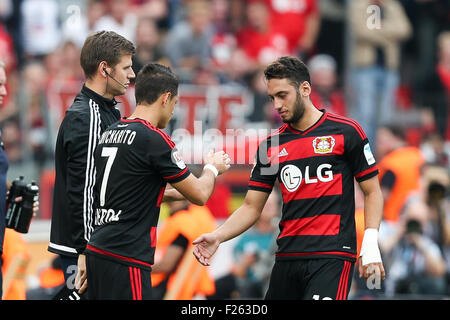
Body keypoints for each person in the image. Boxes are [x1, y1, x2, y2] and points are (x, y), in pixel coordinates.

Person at [193, 56, 385, 300]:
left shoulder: (347, 131)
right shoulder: (270, 146)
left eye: (283, 95)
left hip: (332, 255)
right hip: (286, 256)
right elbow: (252, 207)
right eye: (272, 97)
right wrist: (218, 236)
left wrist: (370, 244)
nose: (276, 104)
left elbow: (372, 191)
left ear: (305, 89)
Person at [76, 63, 230, 299]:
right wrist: (212, 168)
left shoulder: (108, 133)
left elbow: (130, 192)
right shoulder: (154, 139)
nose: (172, 111)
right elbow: (200, 194)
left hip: (97, 251)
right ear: (166, 98)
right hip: (127, 257)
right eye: (175, 104)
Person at [48, 31, 136, 283]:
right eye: (126, 67)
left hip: (102, 245)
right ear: (104, 69)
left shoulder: (107, 111)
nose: (132, 74)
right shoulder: (86, 117)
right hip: (86, 250)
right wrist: (86, 249)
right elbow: (83, 190)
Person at [151, 199, 217, 300]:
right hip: (191, 284)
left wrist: (140, 268)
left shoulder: (182, 222)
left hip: (170, 287)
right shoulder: (201, 214)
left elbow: (166, 265)